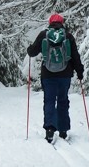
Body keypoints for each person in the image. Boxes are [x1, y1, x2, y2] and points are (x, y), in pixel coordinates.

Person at [27, 13, 84, 143]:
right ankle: (63, 131)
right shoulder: (68, 36)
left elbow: (32, 52)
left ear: (50, 23)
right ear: (62, 22)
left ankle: (50, 130)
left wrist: (29, 48)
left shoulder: (44, 35)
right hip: (65, 75)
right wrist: (79, 71)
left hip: (48, 75)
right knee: (63, 100)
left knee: (49, 101)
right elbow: (75, 55)